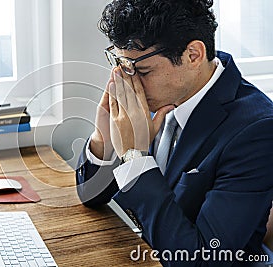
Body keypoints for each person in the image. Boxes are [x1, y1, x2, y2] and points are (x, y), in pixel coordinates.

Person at [75, 0, 273, 266]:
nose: (128, 81)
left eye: (141, 70)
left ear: (193, 55)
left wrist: (134, 158)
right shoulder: (158, 93)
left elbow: (202, 259)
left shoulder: (257, 131)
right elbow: (90, 196)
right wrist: (104, 139)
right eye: (123, 65)